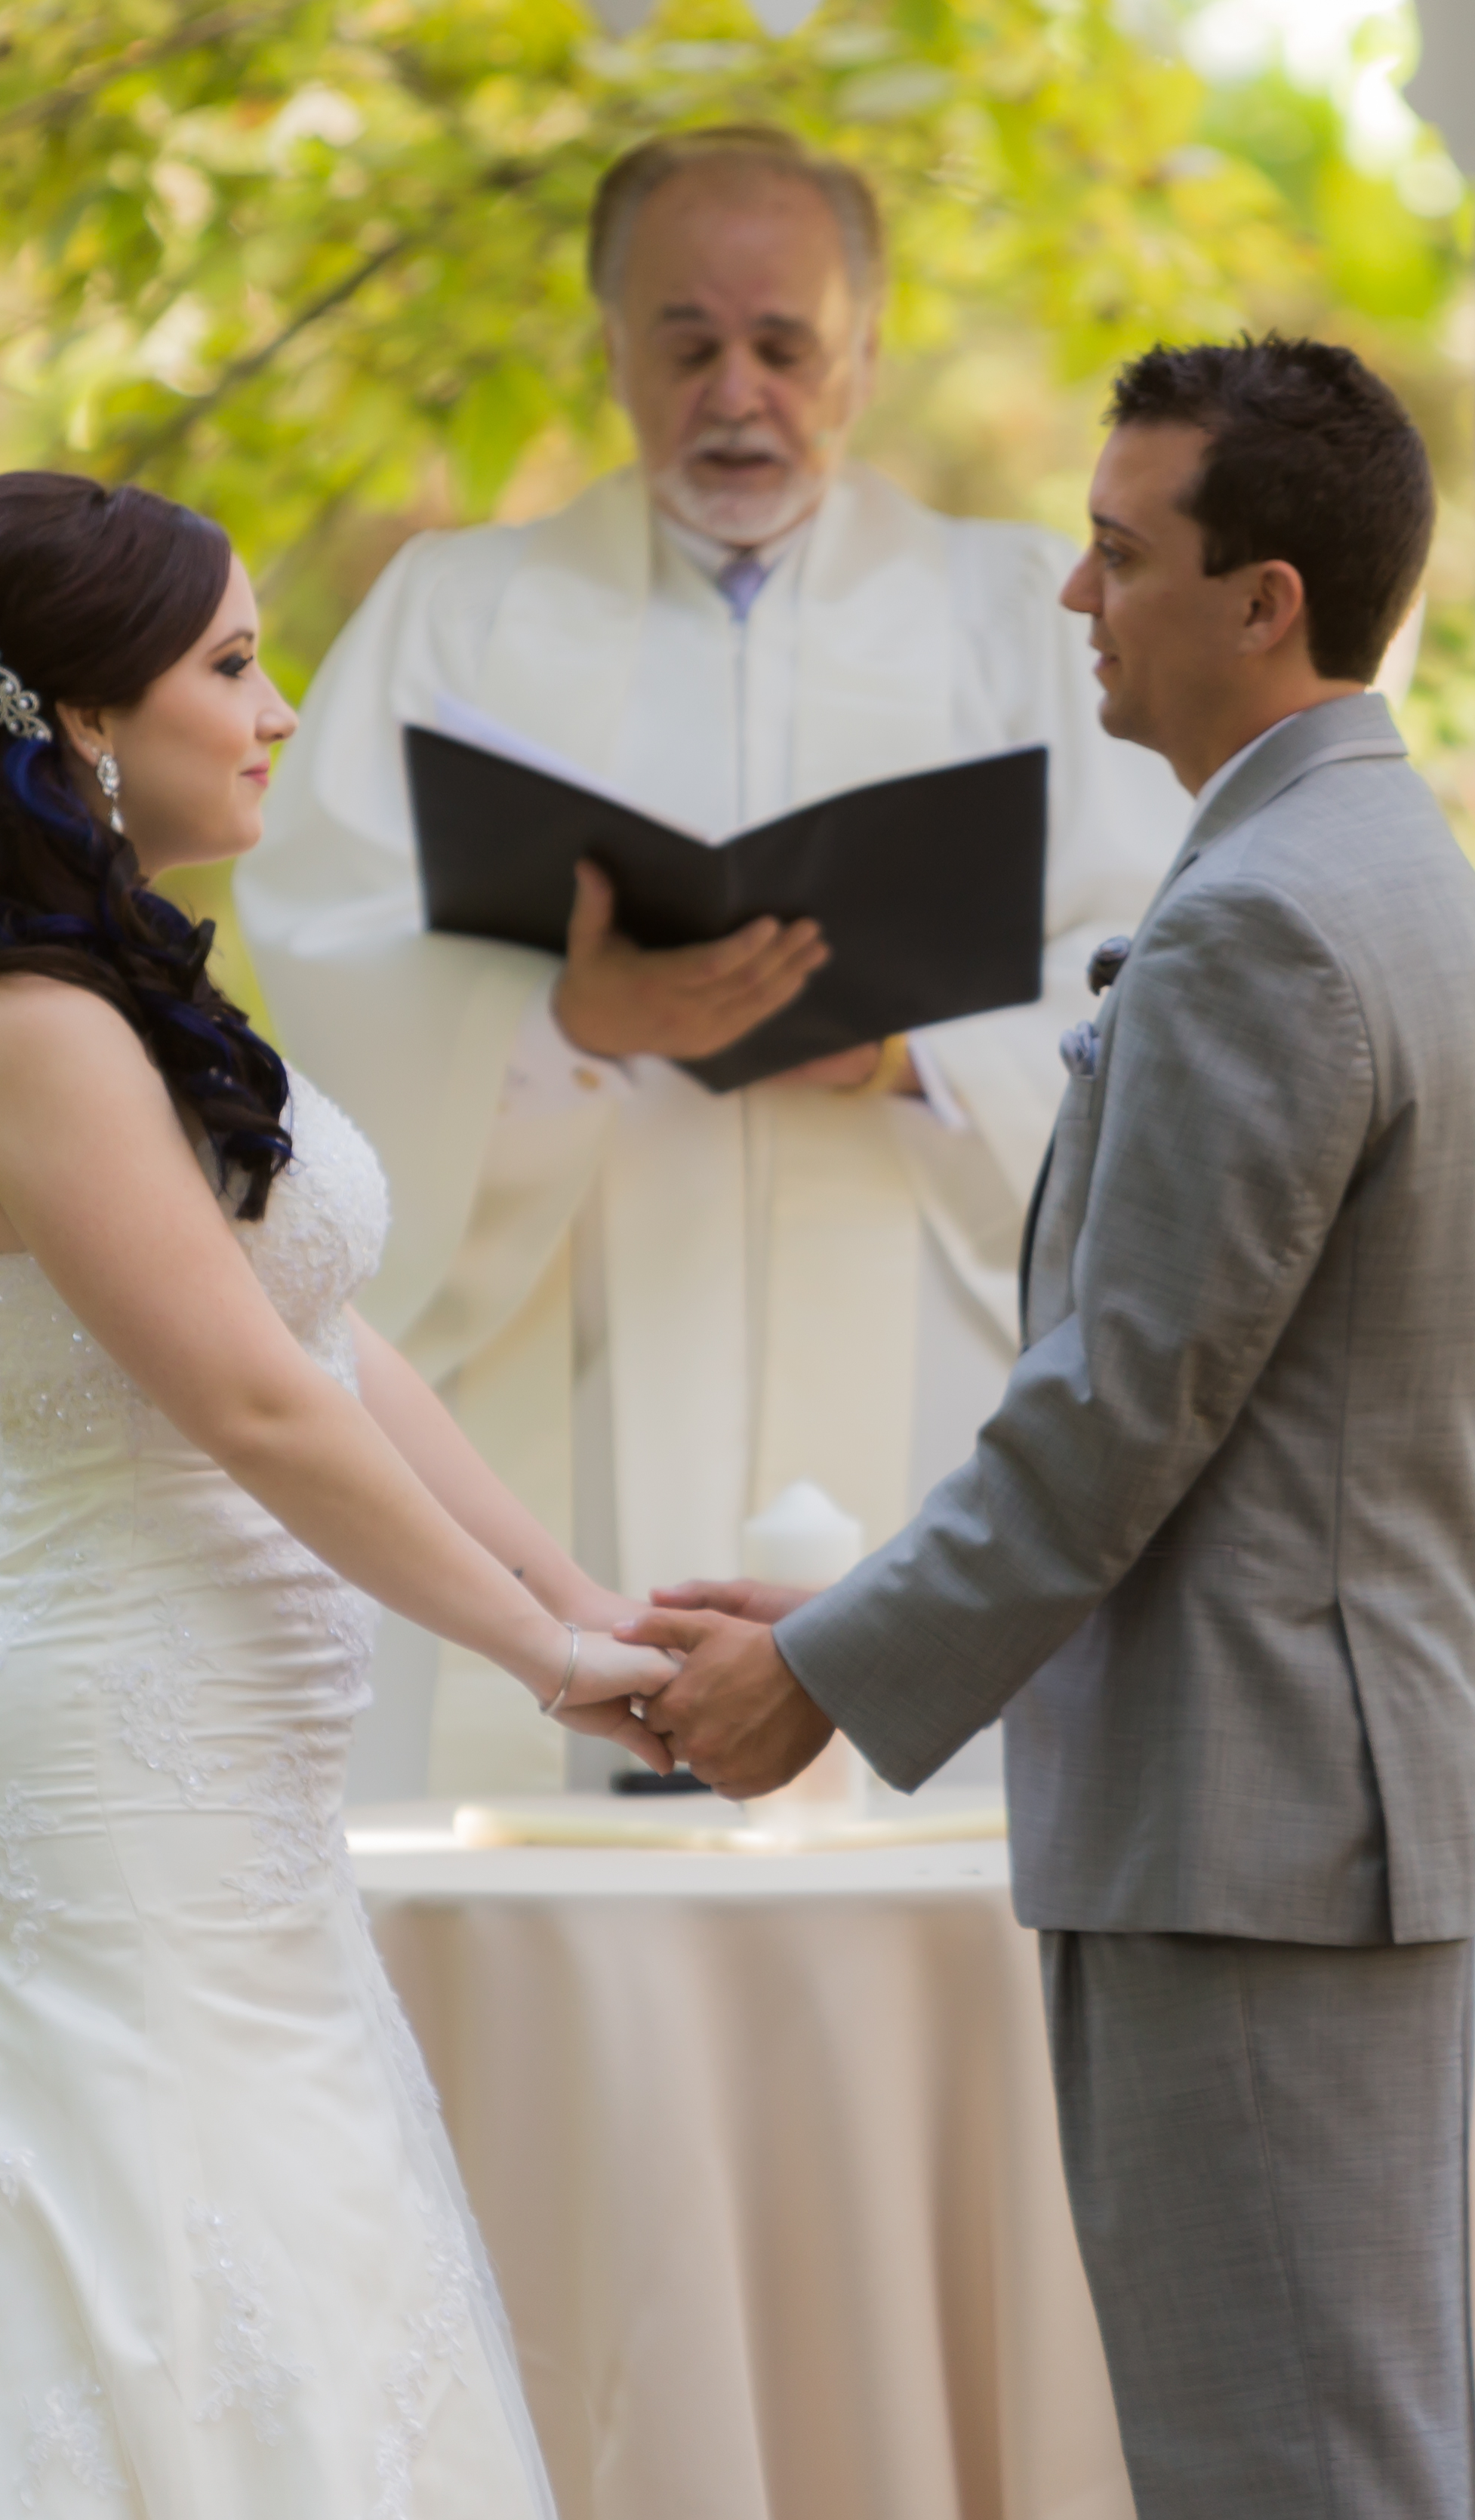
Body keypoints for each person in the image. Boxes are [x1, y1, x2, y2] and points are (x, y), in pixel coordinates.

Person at [634, 338, 1475, 2520]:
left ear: (1268, 600)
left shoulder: (1261, 921)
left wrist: (818, 1668)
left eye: (1121, 556)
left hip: (1249, 1818)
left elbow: (1123, 1409)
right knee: (1344, 2480)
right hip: (1327, 1800)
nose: (1079, 599)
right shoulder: (1392, 859)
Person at [0, 471, 670, 2520]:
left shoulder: (140, 1003)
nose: (281, 705)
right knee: (121, 2330)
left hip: (239, 1800)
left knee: (306, 2326)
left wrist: (584, 1598)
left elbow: (339, 1347)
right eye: (232, 661)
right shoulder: (16, 1033)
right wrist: (528, 1656)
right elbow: (249, 1401)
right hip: (116, 1780)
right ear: (86, 720)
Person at [232, 124, 1184, 1790]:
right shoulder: (459, 614)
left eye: (782, 343)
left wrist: (910, 1053)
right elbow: (319, 949)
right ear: (610, 346)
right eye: (684, 343)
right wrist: (552, 1022)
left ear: (864, 351)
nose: (733, 391)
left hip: (922, 1364)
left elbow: (1163, 971)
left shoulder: (1015, 616)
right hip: (567, 1363)